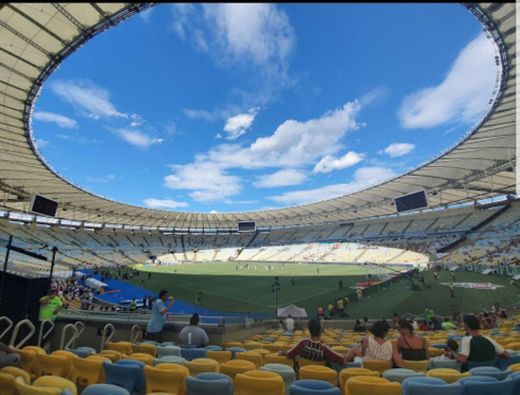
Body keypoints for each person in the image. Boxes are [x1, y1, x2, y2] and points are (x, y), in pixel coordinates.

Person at [279, 319, 346, 369]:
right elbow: (342, 360)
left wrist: (283, 352)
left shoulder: (303, 343)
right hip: (321, 382)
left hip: (303, 380)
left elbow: (289, 354)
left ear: (309, 330)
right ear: (320, 331)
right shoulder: (324, 348)